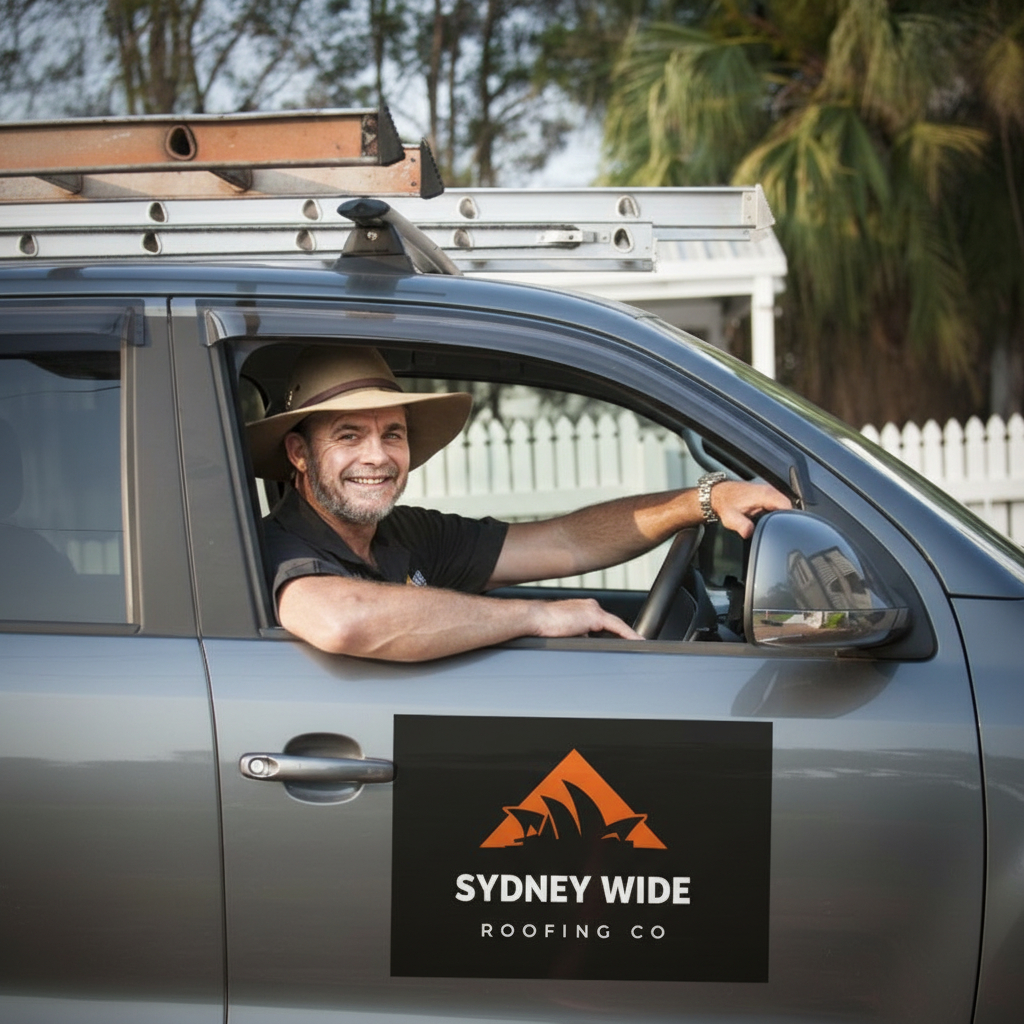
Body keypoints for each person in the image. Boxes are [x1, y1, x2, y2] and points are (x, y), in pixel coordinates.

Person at [247, 346, 792, 661]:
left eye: (392, 434)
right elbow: (342, 620)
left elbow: (565, 542)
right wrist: (536, 616)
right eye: (348, 436)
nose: (379, 457)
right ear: (299, 453)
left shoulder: (406, 535)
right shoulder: (275, 546)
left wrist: (702, 499)